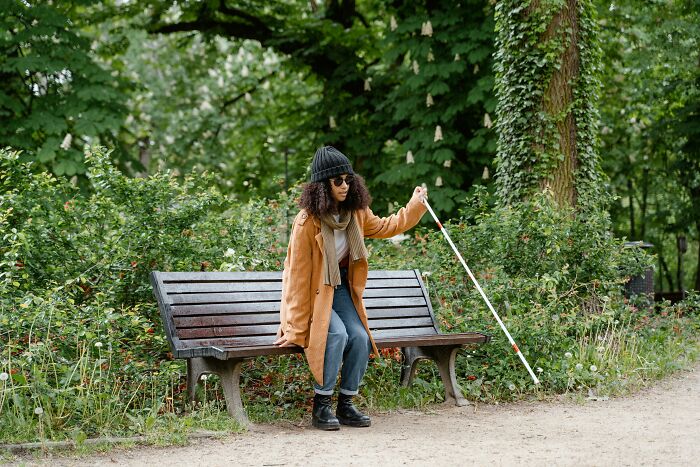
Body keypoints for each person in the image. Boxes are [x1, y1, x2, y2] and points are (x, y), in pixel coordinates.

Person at [274, 146, 429, 430]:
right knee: (337, 333)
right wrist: (294, 328)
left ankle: (346, 404)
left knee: (359, 336)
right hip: (314, 293)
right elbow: (296, 278)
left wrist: (415, 204)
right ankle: (321, 406)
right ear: (323, 185)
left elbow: (385, 226)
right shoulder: (307, 223)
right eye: (338, 181)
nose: (345, 185)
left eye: (348, 179)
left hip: (341, 288)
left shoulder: (355, 212)